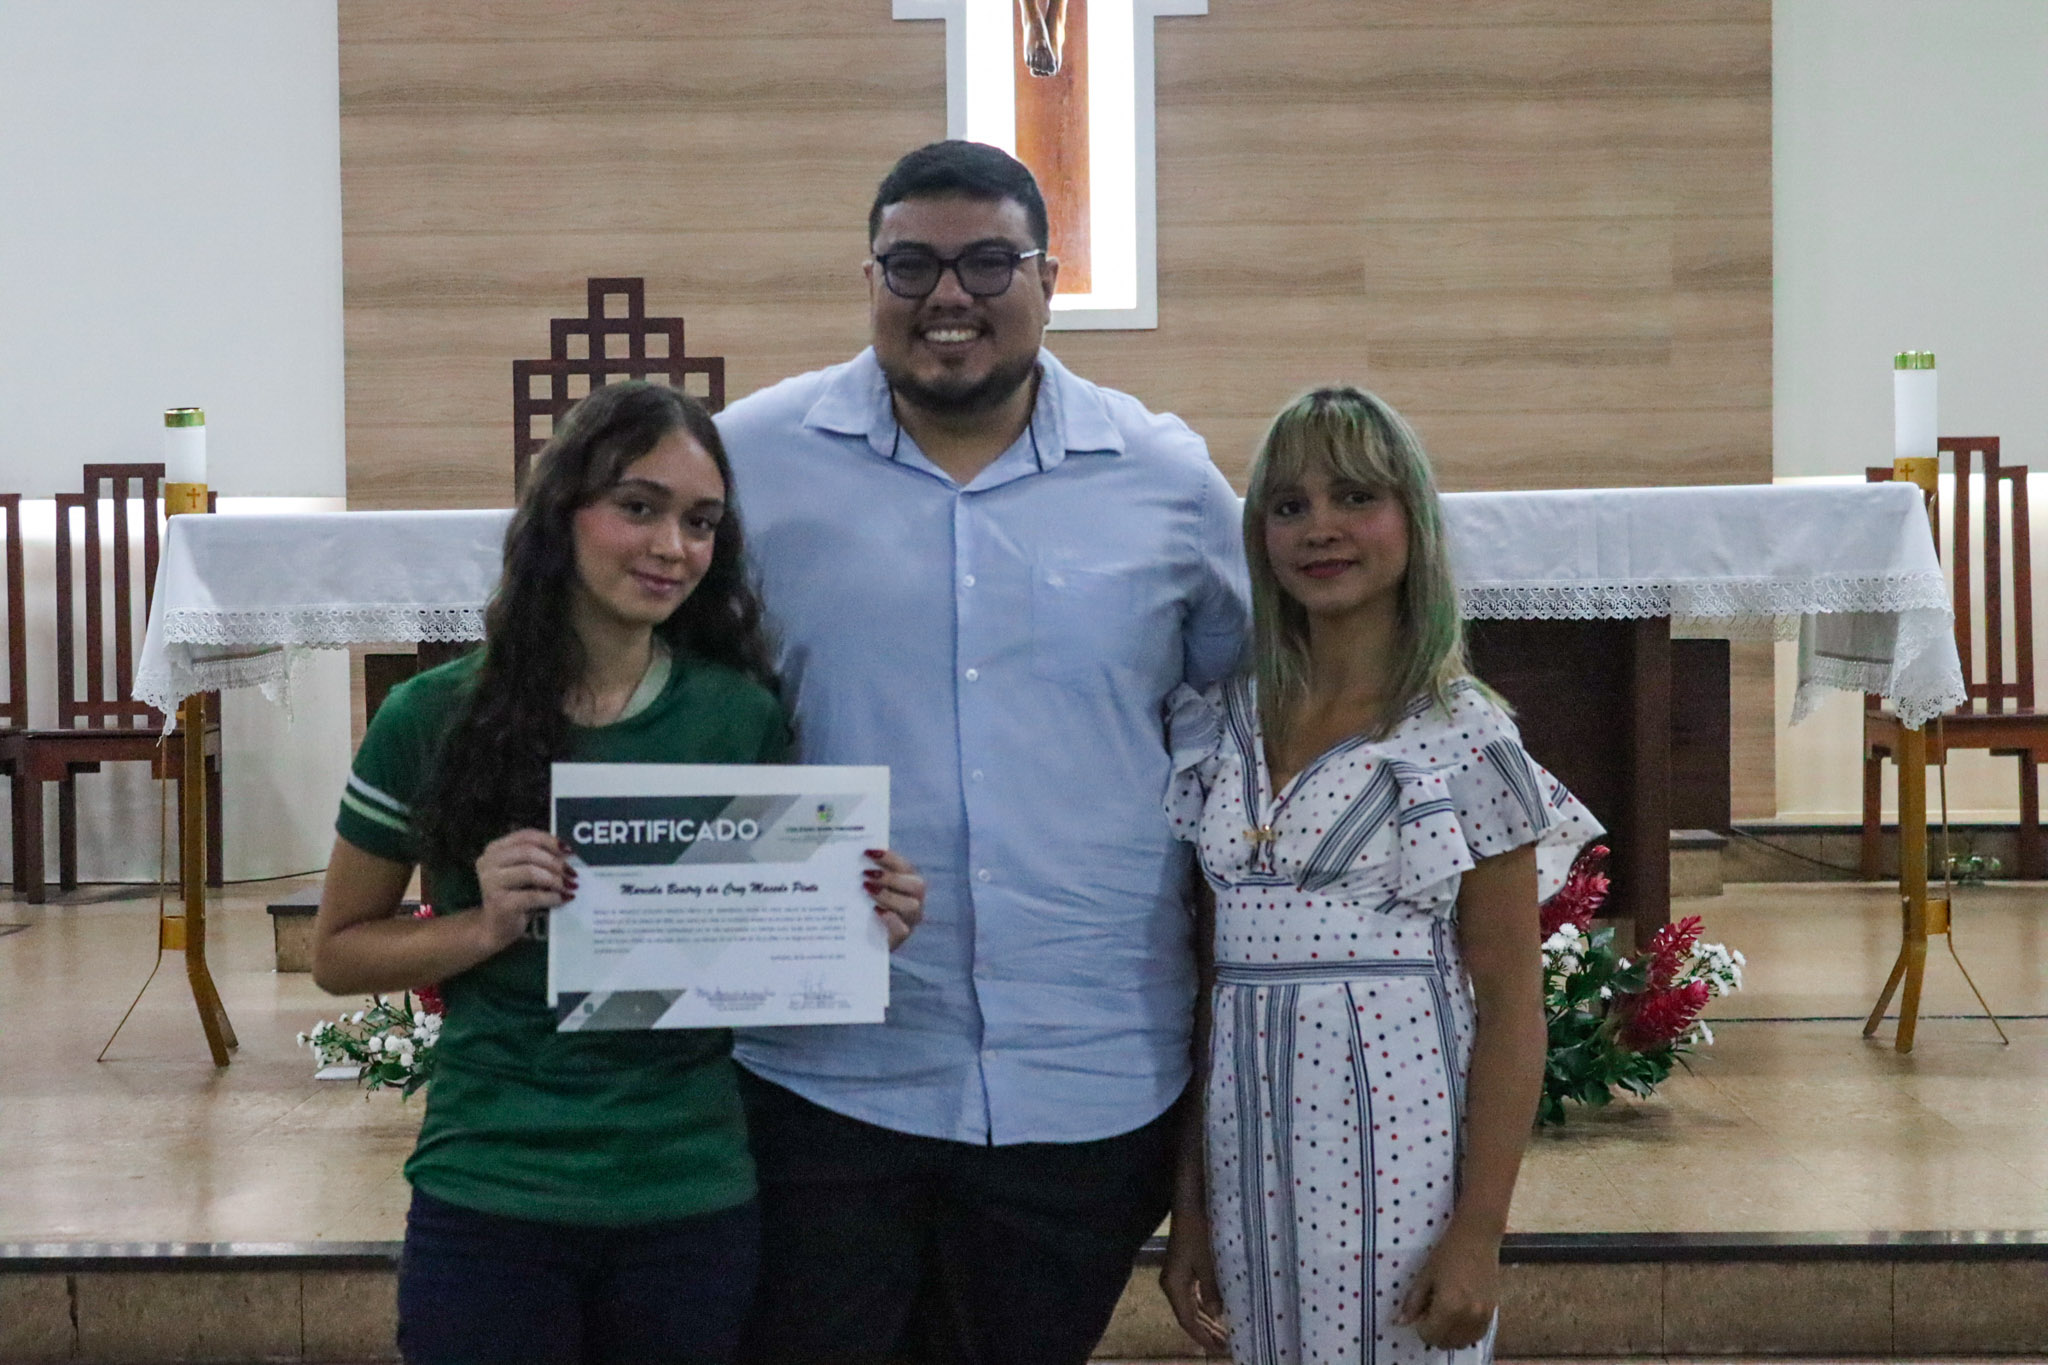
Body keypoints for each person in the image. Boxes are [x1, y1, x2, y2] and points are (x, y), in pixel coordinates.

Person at [713, 140, 1251, 1365]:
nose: (947, 296)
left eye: (987, 264)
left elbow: (1249, 699)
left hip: (1085, 1069)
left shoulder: (1161, 477)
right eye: (910, 265)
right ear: (867, 279)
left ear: (1047, 280)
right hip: (822, 1068)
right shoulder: (751, 461)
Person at [311, 381, 926, 1365]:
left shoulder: (738, 717)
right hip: (494, 1187)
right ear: (563, 513)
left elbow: (749, 950)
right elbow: (339, 954)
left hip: (686, 1191)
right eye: (638, 507)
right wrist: (480, 925)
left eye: (701, 522)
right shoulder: (430, 716)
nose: (672, 547)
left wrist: (855, 924)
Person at [1157, 387, 1601, 1365]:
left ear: (1411, 518)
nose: (1320, 528)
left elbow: (1511, 1003)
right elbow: (1208, 985)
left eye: (1354, 497)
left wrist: (1479, 1232)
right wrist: (1189, 1205)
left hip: (1397, 1143)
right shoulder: (1222, 724)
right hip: (1247, 1144)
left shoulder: (1462, 733)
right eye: (1289, 505)